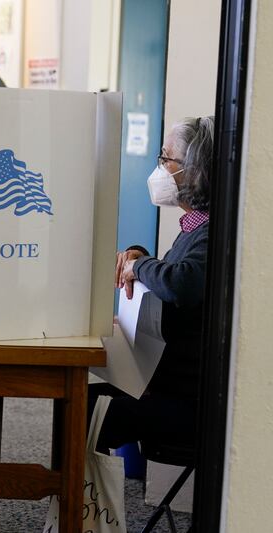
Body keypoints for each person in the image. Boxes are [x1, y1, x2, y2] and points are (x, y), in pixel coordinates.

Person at [91, 116, 213, 451]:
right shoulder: (193, 228)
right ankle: (79, 496)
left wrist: (138, 264)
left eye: (166, 159)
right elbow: (174, 272)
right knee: (82, 391)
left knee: (89, 411)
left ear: (194, 171)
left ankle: (82, 499)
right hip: (162, 378)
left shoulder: (210, 233)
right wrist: (139, 256)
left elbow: (181, 282)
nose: (159, 168)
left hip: (185, 397)